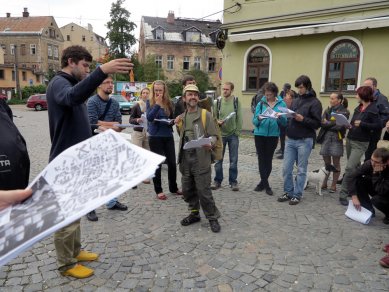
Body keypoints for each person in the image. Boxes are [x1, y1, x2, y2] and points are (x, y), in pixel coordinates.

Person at [47, 45, 133, 278]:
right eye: (85, 66)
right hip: (65, 162)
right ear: (71, 62)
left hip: (78, 159)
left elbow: (80, 114)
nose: (87, 71)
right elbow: (72, 97)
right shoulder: (59, 83)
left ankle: (75, 251)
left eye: (89, 67)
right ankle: (66, 264)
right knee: (66, 215)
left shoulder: (70, 84)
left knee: (76, 210)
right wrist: (102, 70)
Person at [176, 84, 221, 233]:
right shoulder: (182, 117)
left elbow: (214, 135)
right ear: (184, 98)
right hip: (186, 158)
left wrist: (211, 143)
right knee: (187, 190)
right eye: (189, 94)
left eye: (195, 94)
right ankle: (194, 213)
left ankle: (212, 218)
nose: (193, 97)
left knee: (204, 191)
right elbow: (181, 137)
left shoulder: (205, 115)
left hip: (201, 157)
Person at [85, 75, 128, 222]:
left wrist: (105, 125)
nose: (110, 85)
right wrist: (111, 125)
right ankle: (90, 207)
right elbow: (92, 123)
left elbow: (120, 124)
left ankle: (112, 202)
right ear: (99, 85)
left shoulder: (115, 103)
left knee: (112, 173)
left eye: (111, 82)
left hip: (111, 142)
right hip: (95, 142)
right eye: (107, 82)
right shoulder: (91, 102)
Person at [277, 75, 322, 205]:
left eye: (301, 87)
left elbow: (317, 124)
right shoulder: (296, 100)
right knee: (286, 168)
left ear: (307, 86)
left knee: (301, 169)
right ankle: (288, 192)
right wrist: (285, 116)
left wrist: (303, 119)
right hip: (290, 139)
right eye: (298, 87)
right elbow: (292, 117)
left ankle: (297, 194)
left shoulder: (315, 102)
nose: (299, 90)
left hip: (305, 140)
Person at [338, 86, 382, 206]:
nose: (356, 96)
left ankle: (344, 193)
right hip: (351, 139)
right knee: (356, 167)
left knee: (349, 167)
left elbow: (378, 125)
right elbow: (353, 122)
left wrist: (363, 124)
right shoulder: (359, 107)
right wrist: (349, 125)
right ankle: (356, 188)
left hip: (361, 142)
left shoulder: (373, 109)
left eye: (357, 94)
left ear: (363, 95)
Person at [147, 80, 182, 200]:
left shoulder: (169, 103)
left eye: (160, 90)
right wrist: (157, 104)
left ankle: (173, 187)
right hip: (155, 136)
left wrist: (174, 121)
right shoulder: (150, 102)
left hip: (167, 135)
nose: (158, 93)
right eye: (156, 90)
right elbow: (150, 118)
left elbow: (170, 120)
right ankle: (159, 190)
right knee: (157, 163)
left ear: (164, 91)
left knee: (172, 163)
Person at [252, 82, 287, 195]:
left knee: (268, 160)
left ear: (274, 93)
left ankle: (262, 183)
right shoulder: (261, 103)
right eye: (266, 94)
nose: (267, 97)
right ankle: (266, 185)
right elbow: (254, 121)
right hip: (259, 134)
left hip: (273, 135)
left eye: (269, 95)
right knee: (261, 159)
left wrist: (278, 118)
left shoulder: (281, 104)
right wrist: (260, 118)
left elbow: (285, 122)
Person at [211, 82, 243, 191]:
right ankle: (217, 180)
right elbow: (213, 117)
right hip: (220, 135)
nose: (224, 91)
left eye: (227, 89)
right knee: (218, 159)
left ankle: (233, 182)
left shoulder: (236, 101)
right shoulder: (217, 102)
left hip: (233, 134)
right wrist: (217, 122)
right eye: (223, 89)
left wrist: (237, 132)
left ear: (231, 90)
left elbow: (239, 117)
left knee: (234, 160)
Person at [346, 147, 389, 224]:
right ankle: (368, 209)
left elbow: (382, 191)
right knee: (360, 181)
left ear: (386, 162)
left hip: (386, 193)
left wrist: (375, 174)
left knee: (376, 200)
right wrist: (354, 196)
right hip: (379, 188)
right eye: (372, 160)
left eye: (376, 162)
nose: (372, 163)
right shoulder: (369, 164)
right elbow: (351, 176)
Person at [319, 93, 349, 193]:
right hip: (326, 137)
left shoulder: (345, 111)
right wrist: (331, 123)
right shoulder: (327, 110)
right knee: (326, 162)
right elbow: (322, 123)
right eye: (330, 98)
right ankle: (324, 183)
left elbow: (340, 126)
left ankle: (333, 185)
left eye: (333, 98)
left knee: (336, 163)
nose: (330, 100)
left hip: (337, 138)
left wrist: (328, 123)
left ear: (339, 100)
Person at [363, 77, 389, 161]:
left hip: (373, 132)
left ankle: (370, 172)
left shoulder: (382, 98)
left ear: (374, 86)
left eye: (367, 86)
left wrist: (376, 126)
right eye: (364, 86)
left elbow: (385, 116)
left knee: (370, 154)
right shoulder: (366, 97)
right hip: (364, 130)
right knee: (363, 152)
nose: (365, 88)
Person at [129, 87, 151, 184]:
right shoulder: (137, 105)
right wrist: (137, 120)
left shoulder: (152, 105)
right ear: (141, 94)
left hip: (148, 132)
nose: (145, 94)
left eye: (147, 93)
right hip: (138, 132)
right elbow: (130, 119)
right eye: (144, 93)